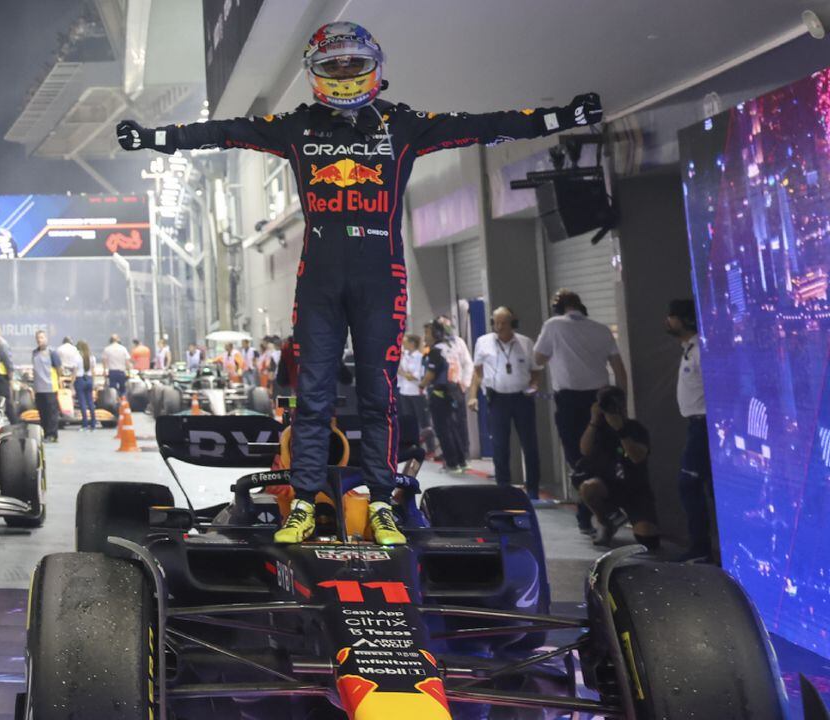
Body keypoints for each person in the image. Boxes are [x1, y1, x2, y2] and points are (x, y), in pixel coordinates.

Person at [117, 20, 600, 545]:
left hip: (382, 278)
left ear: (374, 67)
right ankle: (301, 505)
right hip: (319, 280)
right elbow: (223, 132)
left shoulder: (403, 124)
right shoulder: (295, 126)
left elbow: (485, 126)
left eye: (354, 62)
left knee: (380, 395)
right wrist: (154, 138)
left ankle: (382, 504)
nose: (345, 72)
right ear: (315, 72)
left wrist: (561, 117)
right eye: (334, 64)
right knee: (312, 395)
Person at [534, 289, 628, 536]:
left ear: (558, 308)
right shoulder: (601, 329)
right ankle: (597, 510)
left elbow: (539, 358)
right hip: (600, 398)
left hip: (570, 401)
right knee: (602, 454)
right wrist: (620, 403)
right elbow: (619, 369)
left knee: (577, 458)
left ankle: (588, 515)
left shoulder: (553, 325)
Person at [468, 307, 542, 498]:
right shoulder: (483, 342)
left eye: (503, 323)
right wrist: (473, 395)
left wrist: (533, 386)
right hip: (497, 398)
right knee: (500, 445)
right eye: (495, 322)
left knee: (530, 444)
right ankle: (503, 488)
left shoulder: (525, 343)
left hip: (522, 398)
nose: (499, 327)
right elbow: (477, 372)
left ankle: (532, 489)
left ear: (512, 324)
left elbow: (536, 371)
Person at [577, 386, 660, 550]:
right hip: (608, 486)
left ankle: (638, 522)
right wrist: (594, 420)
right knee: (588, 488)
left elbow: (637, 457)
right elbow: (584, 450)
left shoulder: (635, 428)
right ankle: (605, 522)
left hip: (635, 489)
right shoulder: (598, 430)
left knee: (648, 541)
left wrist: (620, 429)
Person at [667, 298, 713, 561]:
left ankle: (701, 548)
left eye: (672, 316)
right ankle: (702, 547)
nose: (668, 322)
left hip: (703, 427)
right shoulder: (689, 349)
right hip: (696, 426)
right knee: (698, 487)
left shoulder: (699, 351)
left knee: (689, 485)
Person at [420, 322, 465, 472]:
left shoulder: (435, 352)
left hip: (439, 393)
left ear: (436, 334)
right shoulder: (449, 348)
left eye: (427, 333)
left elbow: (430, 374)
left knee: (443, 429)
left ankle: (452, 463)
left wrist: (421, 385)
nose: (425, 337)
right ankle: (461, 461)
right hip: (453, 391)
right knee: (452, 427)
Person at [437, 315, 474, 458]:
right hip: (440, 388)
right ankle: (448, 451)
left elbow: (467, 363)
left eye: (447, 325)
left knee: (459, 420)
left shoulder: (458, 342)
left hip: (456, 387)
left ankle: (464, 451)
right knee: (443, 422)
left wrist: (465, 383)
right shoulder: (436, 344)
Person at [396, 334, 434, 457]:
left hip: (417, 392)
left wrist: (405, 373)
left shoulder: (420, 357)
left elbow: (416, 376)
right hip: (405, 391)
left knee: (423, 421)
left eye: (406, 342)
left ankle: (430, 448)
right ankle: (413, 447)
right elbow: (400, 372)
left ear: (412, 343)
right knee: (409, 422)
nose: (404, 344)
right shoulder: (404, 356)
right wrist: (405, 373)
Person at [31, 330, 62, 442]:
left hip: (50, 388)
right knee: (42, 413)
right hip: (39, 389)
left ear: (46, 339)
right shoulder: (34, 353)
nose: (40, 340)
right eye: (38, 338)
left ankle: (52, 435)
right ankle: (45, 433)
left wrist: (57, 381)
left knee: (52, 413)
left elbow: (59, 368)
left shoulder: (52, 353)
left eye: (42, 337)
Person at [75, 340, 97, 430]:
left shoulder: (77, 357)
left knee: (82, 403)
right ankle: (93, 423)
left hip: (80, 380)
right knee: (90, 402)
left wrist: (72, 384)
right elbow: (93, 371)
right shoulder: (92, 357)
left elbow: (74, 371)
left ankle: (85, 424)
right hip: (89, 379)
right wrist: (94, 382)